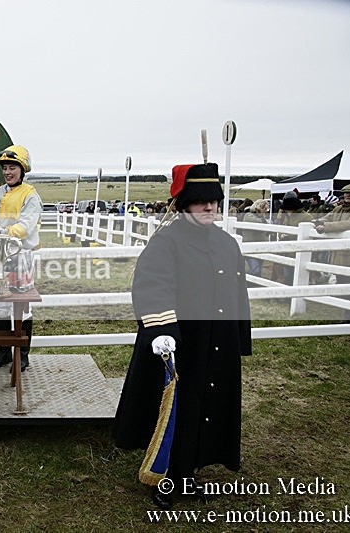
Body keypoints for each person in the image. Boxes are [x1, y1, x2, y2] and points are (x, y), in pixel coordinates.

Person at [113, 162, 252, 509]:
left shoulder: (227, 244)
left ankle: (190, 472)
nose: (209, 207)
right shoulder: (166, 242)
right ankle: (167, 474)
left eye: (213, 201)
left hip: (216, 345)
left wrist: (238, 337)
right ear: (183, 203)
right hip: (180, 344)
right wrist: (161, 330)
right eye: (200, 200)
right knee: (179, 410)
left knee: (207, 408)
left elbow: (237, 291)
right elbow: (152, 285)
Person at [0, 145, 42, 371]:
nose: (8, 172)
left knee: (22, 307)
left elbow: (25, 227)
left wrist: (1, 234)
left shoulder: (30, 195)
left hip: (19, 255)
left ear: (22, 169)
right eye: (5, 168)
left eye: (12, 168)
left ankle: (22, 354)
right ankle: (4, 350)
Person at [314, 182, 350, 320]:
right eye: (346, 193)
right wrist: (315, 222)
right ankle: (346, 314)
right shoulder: (339, 209)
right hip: (338, 254)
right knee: (342, 283)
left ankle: (349, 316)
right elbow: (326, 218)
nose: (347, 195)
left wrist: (325, 226)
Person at [240, 199, 270, 277]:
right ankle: (244, 281)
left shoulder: (261, 217)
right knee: (255, 269)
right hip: (250, 248)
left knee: (259, 270)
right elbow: (260, 223)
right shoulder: (248, 215)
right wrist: (262, 216)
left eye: (266, 209)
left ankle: (253, 286)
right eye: (263, 208)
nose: (265, 210)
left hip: (261, 248)